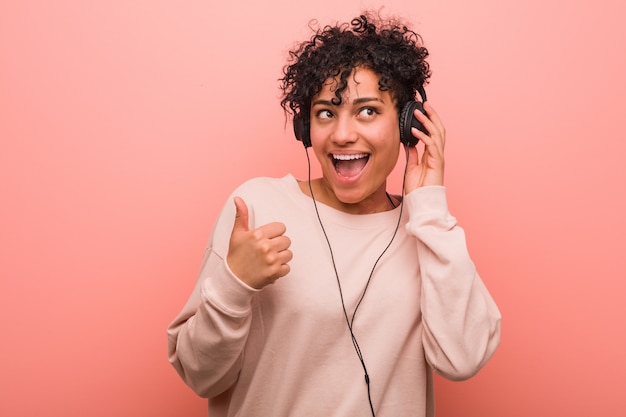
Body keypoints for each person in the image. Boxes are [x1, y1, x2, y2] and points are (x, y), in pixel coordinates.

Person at [168, 11, 501, 417]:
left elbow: (462, 360)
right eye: (326, 112)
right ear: (305, 128)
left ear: (406, 124)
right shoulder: (256, 207)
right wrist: (233, 285)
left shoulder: (426, 231)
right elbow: (199, 374)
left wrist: (429, 205)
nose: (342, 134)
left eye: (367, 111)